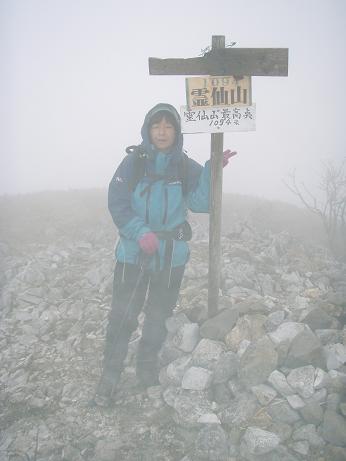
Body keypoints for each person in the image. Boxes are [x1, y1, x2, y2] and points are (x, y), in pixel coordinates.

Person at [93, 103, 236, 407]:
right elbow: (117, 202)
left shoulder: (184, 166)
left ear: (176, 131)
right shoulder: (133, 163)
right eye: (156, 125)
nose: (162, 131)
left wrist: (211, 171)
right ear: (148, 129)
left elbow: (201, 203)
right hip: (133, 254)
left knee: (158, 316)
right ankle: (109, 379)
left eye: (168, 126)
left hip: (171, 257)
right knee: (123, 316)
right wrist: (139, 230)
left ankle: (145, 372)